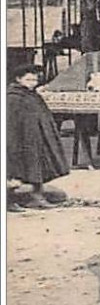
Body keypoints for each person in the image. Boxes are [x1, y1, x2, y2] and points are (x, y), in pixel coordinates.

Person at [8, 62, 69, 211]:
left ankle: (36, 196)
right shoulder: (13, 97)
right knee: (14, 170)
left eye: (35, 80)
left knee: (38, 167)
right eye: (29, 80)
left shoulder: (32, 95)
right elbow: (10, 122)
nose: (33, 83)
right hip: (19, 140)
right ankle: (8, 200)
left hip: (35, 139)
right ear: (18, 79)